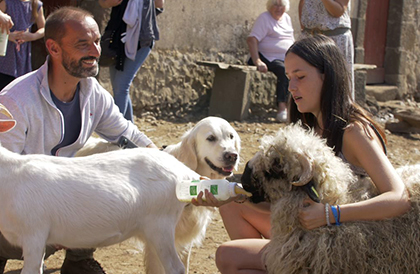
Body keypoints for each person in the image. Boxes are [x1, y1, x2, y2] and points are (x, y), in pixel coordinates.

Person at [214, 35, 410, 273]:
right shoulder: (308, 127)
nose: (292, 87)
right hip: (312, 231)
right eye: (288, 78)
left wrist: (331, 214)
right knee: (231, 206)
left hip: (345, 243)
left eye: (301, 77)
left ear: (327, 76)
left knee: (229, 255)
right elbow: (295, 207)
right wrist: (227, 194)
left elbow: (398, 198)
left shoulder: (353, 131)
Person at [0, 6, 157, 274]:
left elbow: (130, 138)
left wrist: (176, 170)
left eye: (96, 41)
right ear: (54, 48)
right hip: (15, 222)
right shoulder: (15, 101)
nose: (95, 51)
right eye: (82, 44)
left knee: (109, 152)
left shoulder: (93, 93)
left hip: (60, 215)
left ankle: (78, 260)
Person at [98, 0, 164, 122]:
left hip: (142, 39)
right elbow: (103, 2)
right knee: (119, 88)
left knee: (121, 87)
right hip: (117, 39)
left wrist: (143, 12)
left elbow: (159, 5)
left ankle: (117, 130)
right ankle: (130, 131)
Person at [247, 0, 294, 123]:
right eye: (275, 5)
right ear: (269, 6)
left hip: (285, 58)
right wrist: (257, 61)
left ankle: (294, 109)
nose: (278, 8)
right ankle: (282, 108)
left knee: (298, 71)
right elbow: (252, 40)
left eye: (281, 5)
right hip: (267, 57)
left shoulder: (287, 19)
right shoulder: (264, 18)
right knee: (284, 70)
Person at [299, 0, 354, 99]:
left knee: (336, 86)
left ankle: (336, 114)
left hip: (334, 39)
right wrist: (304, 27)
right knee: (307, 85)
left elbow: (338, 11)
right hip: (310, 38)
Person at [0, 0, 45, 91]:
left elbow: (43, 28)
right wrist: (9, 36)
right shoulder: (6, 3)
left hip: (22, 56)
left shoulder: (36, 4)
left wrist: (32, 36)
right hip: (5, 55)